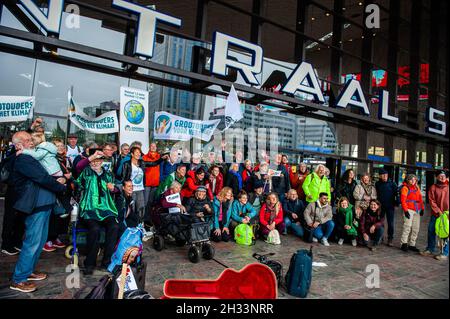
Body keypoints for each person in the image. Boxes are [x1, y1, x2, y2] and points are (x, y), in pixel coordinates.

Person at [9, 131, 66, 293]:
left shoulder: (31, 156)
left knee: (39, 242)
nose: (32, 142)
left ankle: (28, 272)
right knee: (32, 243)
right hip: (36, 206)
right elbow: (42, 178)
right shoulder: (24, 159)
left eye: (31, 139)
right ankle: (19, 279)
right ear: (19, 145)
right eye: (27, 140)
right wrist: (60, 186)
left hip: (44, 204)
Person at [75, 153, 119, 275]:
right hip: (90, 210)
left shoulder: (108, 174)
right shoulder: (86, 172)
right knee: (94, 229)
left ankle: (107, 261)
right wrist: (91, 157)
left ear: (101, 162)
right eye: (93, 160)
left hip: (106, 209)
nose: (95, 163)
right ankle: (89, 263)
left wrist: (113, 189)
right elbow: (78, 167)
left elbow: (115, 190)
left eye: (97, 160)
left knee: (114, 227)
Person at [121, 146, 166, 223]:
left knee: (141, 208)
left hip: (140, 189)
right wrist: (126, 190)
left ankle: (140, 225)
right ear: (132, 154)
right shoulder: (127, 164)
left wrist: (162, 159)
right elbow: (124, 177)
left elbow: (153, 163)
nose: (139, 154)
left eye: (139, 152)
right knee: (132, 208)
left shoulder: (142, 162)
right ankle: (131, 225)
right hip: (131, 190)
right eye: (136, 152)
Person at [421, 171, 449, 260]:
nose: (442, 177)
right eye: (440, 176)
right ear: (436, 177)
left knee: (445, 233)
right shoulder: (433, 187)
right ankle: (430, 249)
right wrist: (438, 211)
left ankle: (444, 253)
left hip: (447, 215)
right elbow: (431, 201)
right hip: (436, 214)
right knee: (431, 230)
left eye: (443, 176)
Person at [399, 174, 425, 253]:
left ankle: (412, 244)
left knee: (416, 228)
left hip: (417, 210)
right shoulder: (405, 188)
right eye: (411, 179)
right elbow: (403, 200)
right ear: (407, 180)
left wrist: (422, 208)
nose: (413, 181)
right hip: (409, 209)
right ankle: (404, 243)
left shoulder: (417, 187)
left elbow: (420, 199)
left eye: (414, 179)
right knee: (407, 227)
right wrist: (406, 210)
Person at [375, 169, 398, 247]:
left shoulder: (392, 183)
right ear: (380, 176)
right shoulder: (377, 184)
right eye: (383, 175)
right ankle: (380, 236)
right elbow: (376, 194)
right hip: (381, 207)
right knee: (380, 222)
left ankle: (390, 238)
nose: (385, 177)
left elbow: (397, 194)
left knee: (390, 223)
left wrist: (397, 203)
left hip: (390, 206)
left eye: (386, 175)